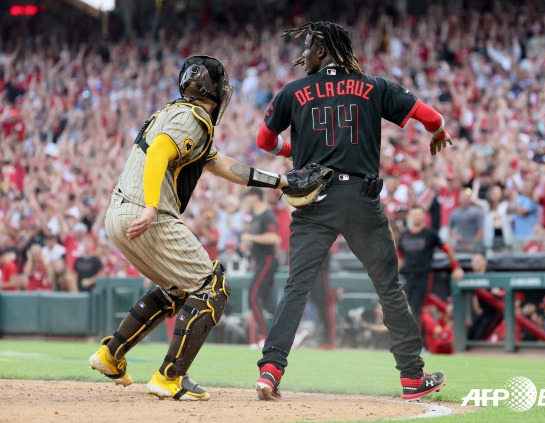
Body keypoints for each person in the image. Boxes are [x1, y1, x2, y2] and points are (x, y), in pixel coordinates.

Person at [253, 21, 451, 402]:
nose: (303, 55)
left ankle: (271, 368)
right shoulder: (373, 85)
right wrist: (440, 132)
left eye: (309, 47)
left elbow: (264, 141)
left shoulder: (293, 91)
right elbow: (431, 117)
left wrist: (295, 151)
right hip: (361, 198)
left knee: (297, 285)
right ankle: (412, 377)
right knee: (389, 288)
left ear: (324, 51)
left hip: (312, 201)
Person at [88, 55, 288, 401]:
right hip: (147, 213)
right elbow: (159, 153)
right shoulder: (195, 117)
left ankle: (110, 354)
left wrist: (279, 181)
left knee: (177, 289)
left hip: (119, 214)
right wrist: (152, 206)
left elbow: (223, 165)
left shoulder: (174, 113)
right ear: (216, 91)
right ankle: (169, 377)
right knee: (214, 286)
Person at [397, 204, 463, 325]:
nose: (416, 217)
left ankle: (416, 341)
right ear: (410, 216)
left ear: (423, 216)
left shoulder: (430, 234)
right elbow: (400, 257)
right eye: (414, 214)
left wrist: (456, 267)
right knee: (405, 308)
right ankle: (408, 340)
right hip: (408, 277)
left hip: (423, 276)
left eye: (418, 214)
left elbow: (447, 249)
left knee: (415, 307)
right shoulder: (404, 236)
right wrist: (394, 276)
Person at [240, 187, 280, 345]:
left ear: (255, 196)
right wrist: (248, 246)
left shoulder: (267, 215)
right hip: (261, 260)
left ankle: (264, 336)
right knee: (267, 301)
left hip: (268, 260)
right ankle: (290, 331)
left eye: (248, 196)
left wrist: (249, 237)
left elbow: (272, 238)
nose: (246, 200)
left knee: (253, 297)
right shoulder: (255, 217)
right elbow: (258, 241)